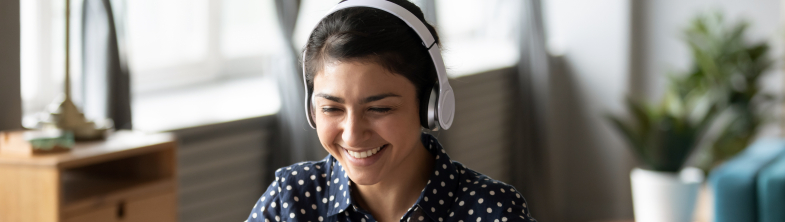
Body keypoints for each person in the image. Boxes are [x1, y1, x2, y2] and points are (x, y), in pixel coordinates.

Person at [246, 0, 535, 221]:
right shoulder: (291, 199)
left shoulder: (494, 211)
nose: (353, 135)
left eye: (380, 108)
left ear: (430, 106)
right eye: (332, 108)